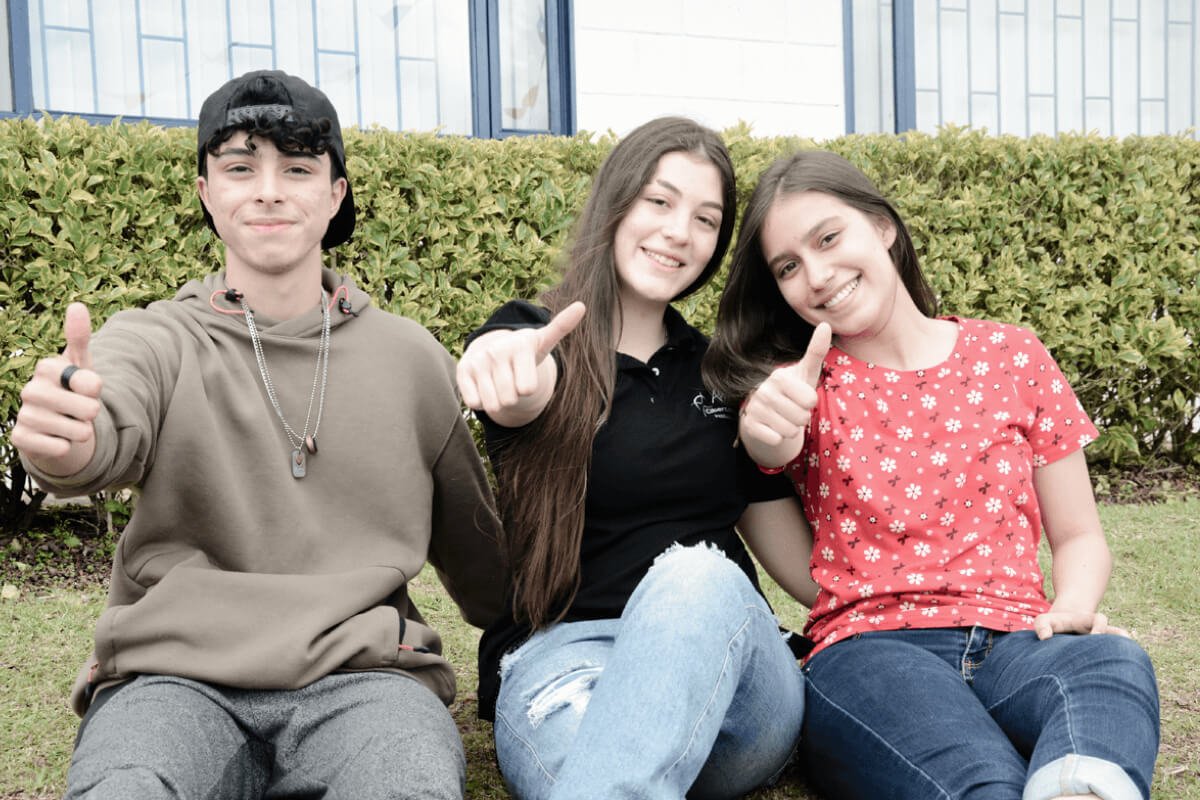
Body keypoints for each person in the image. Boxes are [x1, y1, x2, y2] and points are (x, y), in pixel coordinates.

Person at [11, 70, 505, 799]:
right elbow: (103, 426)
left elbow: (483, 563)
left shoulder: (410, 358)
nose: (268, 190)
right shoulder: (154, 339)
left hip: (366, 682)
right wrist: (65, 446)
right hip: (173, 678)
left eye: (298, 168)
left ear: (336, 192)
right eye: (240, 167)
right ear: (208, 192)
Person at [702, 149, 1161, 800]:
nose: (818, 274)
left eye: (829, 238)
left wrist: (1073, 611)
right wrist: (763, 429)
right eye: (789, 267)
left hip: (1023, 639)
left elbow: (1080, 535)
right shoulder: (796, 390)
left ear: (882, 226)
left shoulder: (1013, 354)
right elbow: (767, 444)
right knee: (981, 783)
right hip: (874, 654)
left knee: (1112, 662)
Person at [455, 117, 819, 800]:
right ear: (615, 203)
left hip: (731, 683)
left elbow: (810, 574)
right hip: (568, 669)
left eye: (706, 219)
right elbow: (508, 375)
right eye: (659, 201)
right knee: (604, 767)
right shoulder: (538, 341)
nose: (680, 231)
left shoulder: (726, 375)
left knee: (692, 574)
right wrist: (499, 373)